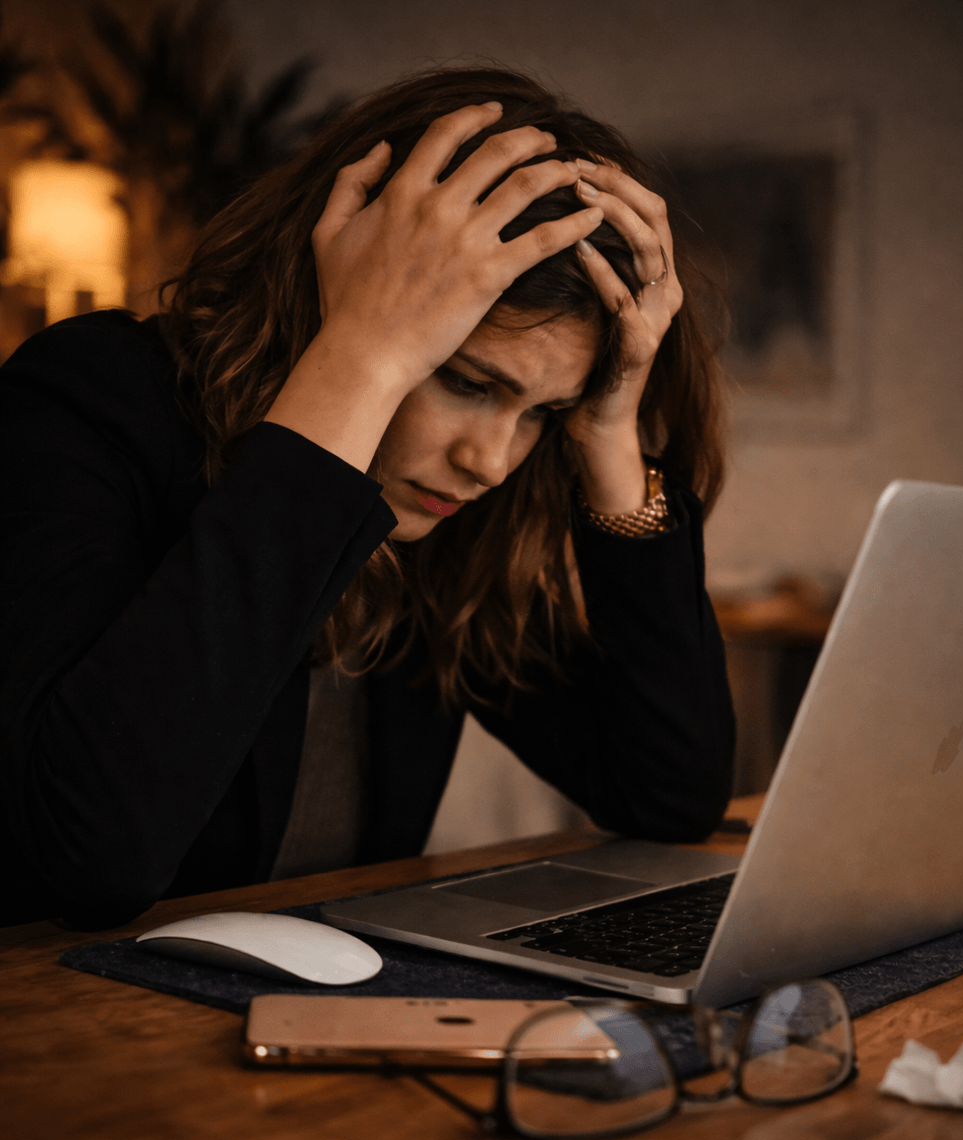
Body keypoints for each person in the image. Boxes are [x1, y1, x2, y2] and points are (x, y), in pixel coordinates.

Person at [0, 67, 735, 930]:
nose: (490, 463)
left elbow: (669, 795)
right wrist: (359, 357)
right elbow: (94, 852)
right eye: (466, 382)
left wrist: (607, 432)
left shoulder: (446, 527)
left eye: (544, 412)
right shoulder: (88, 401)